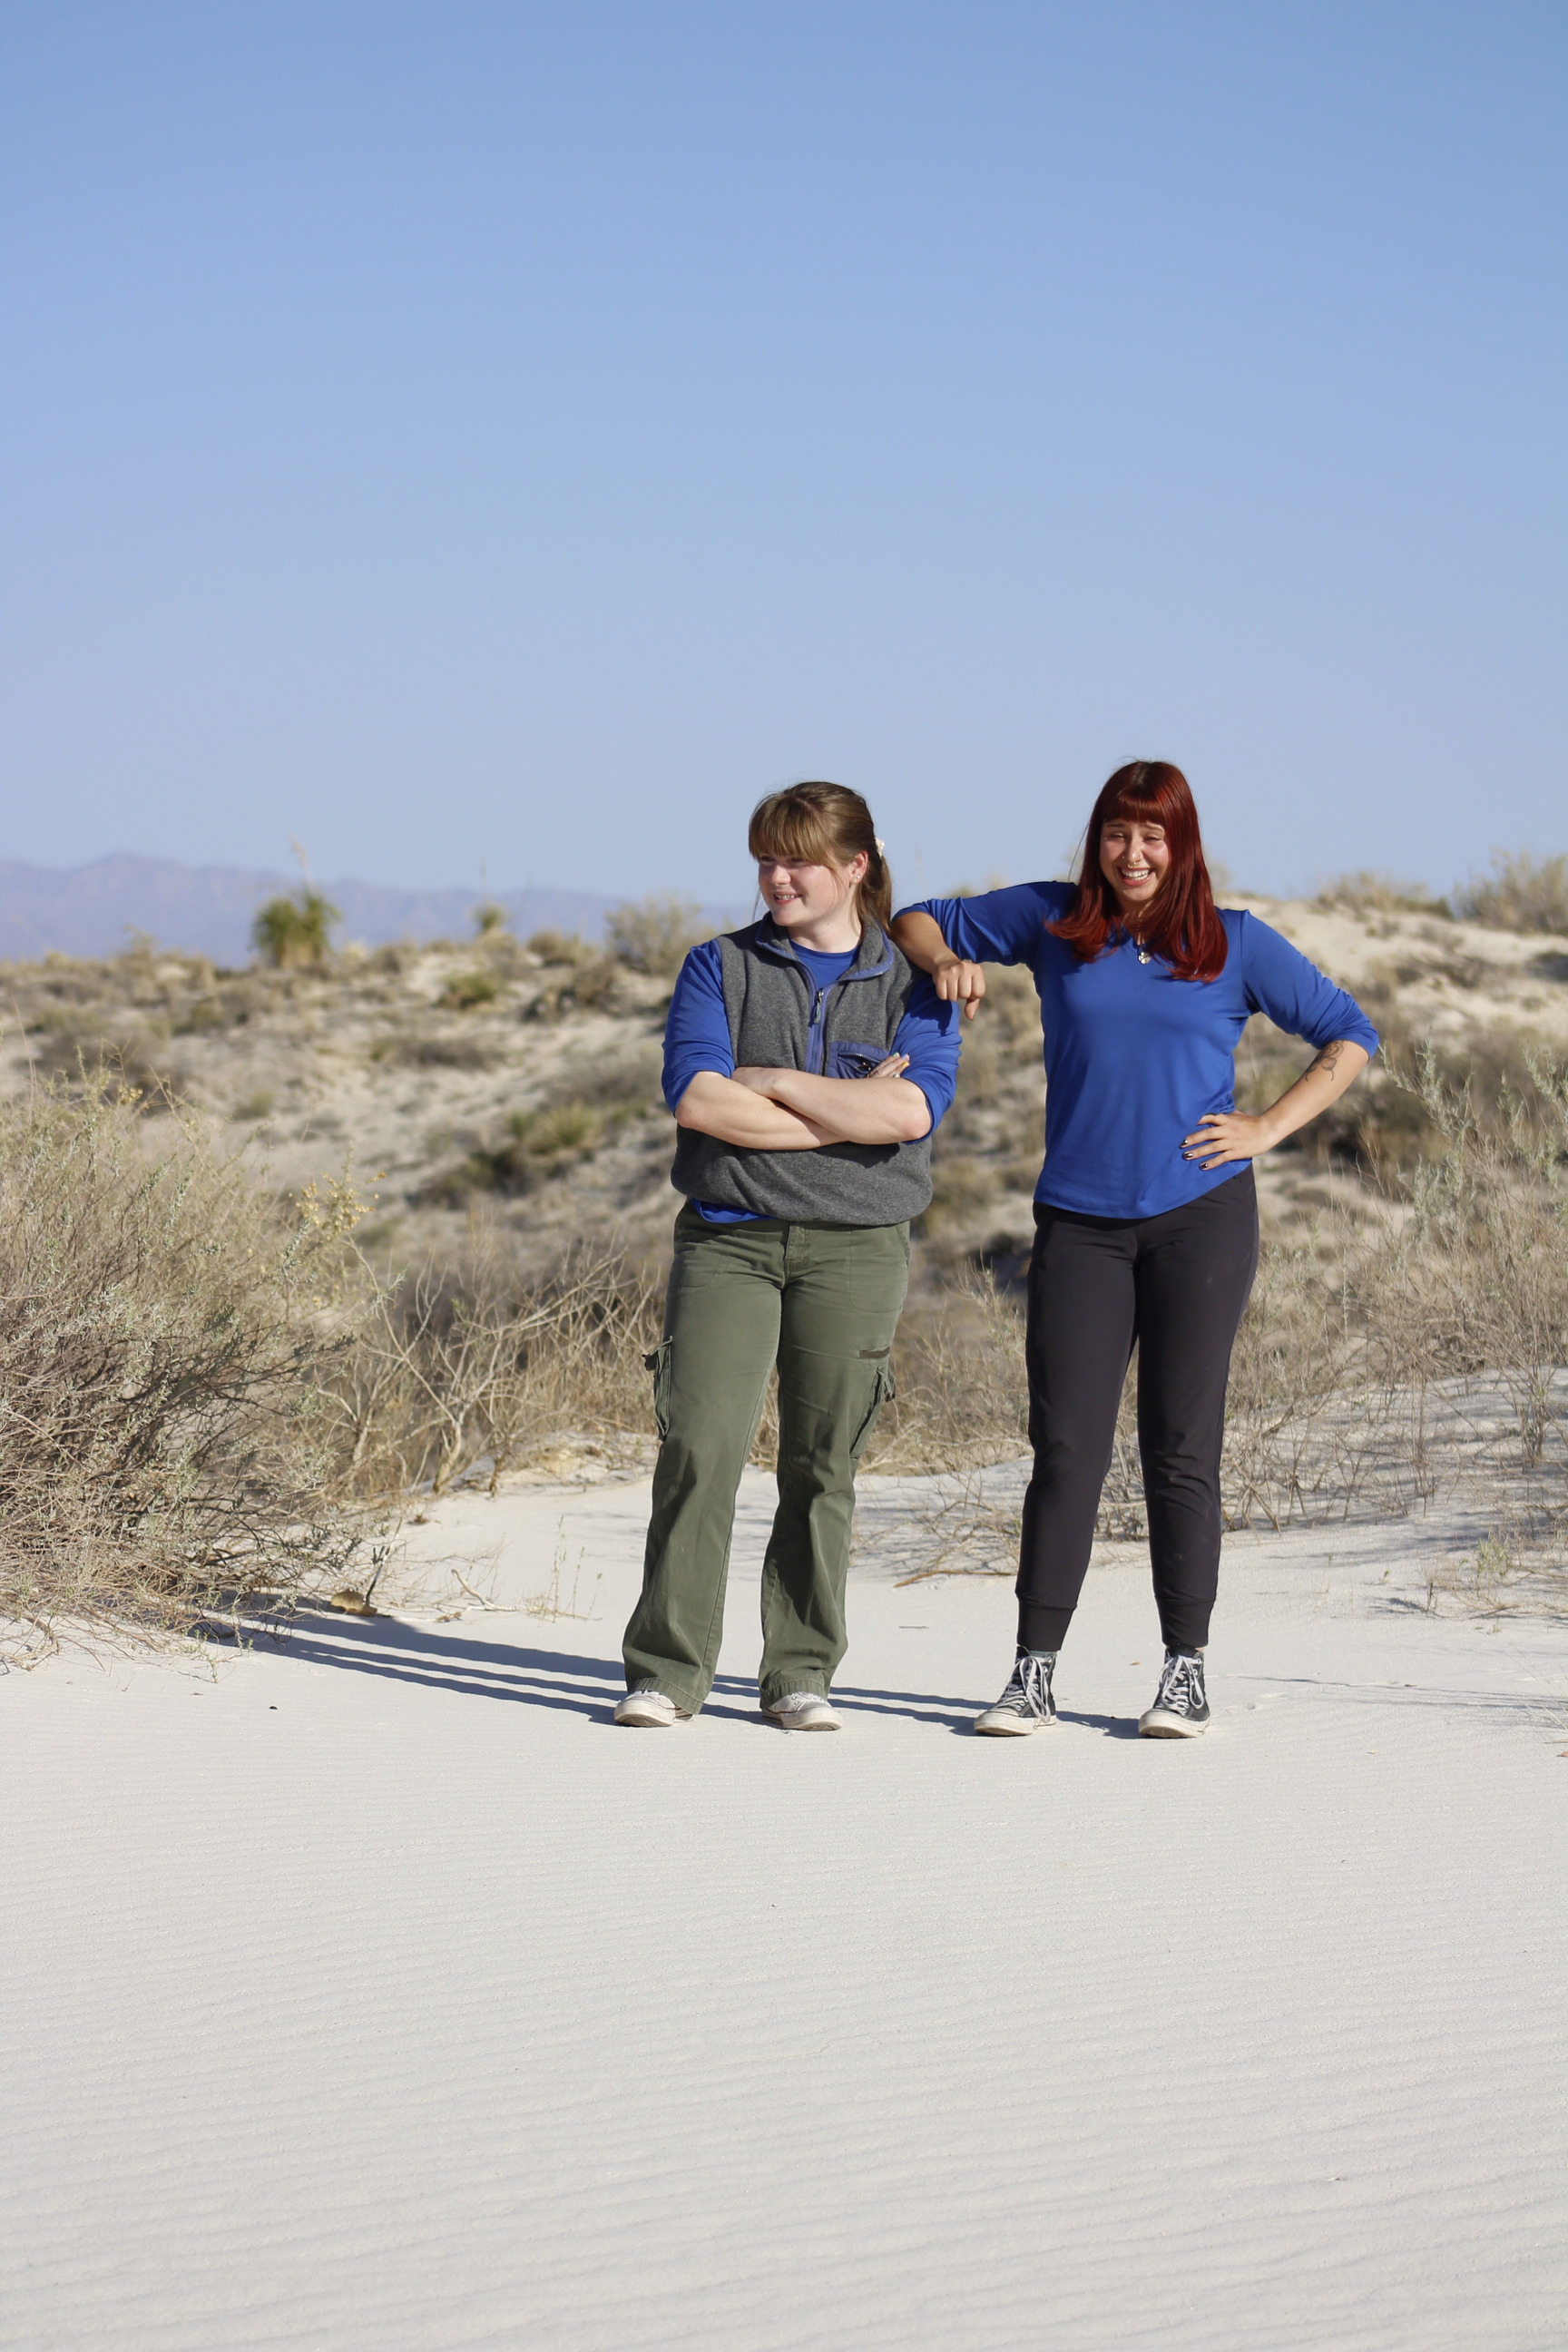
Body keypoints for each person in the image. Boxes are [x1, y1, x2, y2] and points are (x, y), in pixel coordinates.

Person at [890, 760, 1378, 1740]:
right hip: (1080, 1221)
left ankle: (1185, 1671)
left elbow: (1348, 1034)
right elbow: (913, 918)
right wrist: (945, 961)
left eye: (1153, 835)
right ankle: (1032, 1673)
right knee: (1066, 1446)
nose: (1134, 853)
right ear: (1097, 841)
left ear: (1182, 841)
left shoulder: (1234, 943)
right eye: (1118, 833)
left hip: (1202, 1217)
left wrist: (1268, 1127)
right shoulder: (1057, 921)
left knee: (1180, 1447)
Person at [616, 782, 960, 1730]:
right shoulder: (715, 965)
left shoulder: (918, 987)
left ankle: (800, 1673)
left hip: (856, 1252)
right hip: (729, 1241)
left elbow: (911, 1113)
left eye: (799, 860)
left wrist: (768, 1083)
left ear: (855, 867)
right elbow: (697, 1100)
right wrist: (837, 1118)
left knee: (823, 1465)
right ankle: (667, 1672)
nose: (778, 877)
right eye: (766, 858)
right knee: (699, 1448)